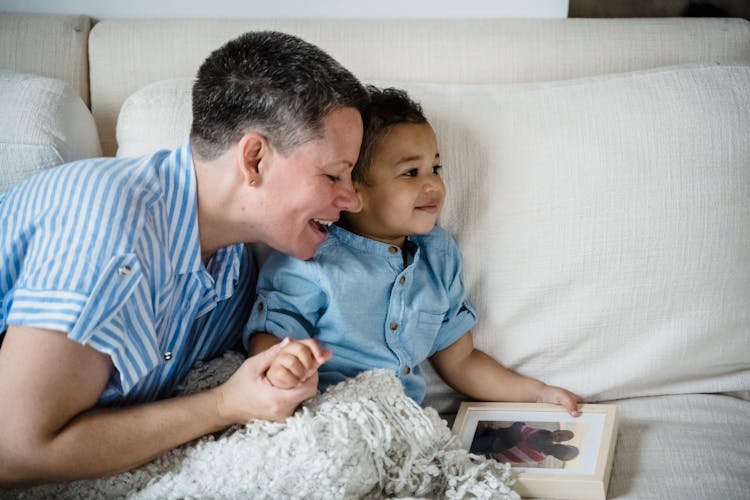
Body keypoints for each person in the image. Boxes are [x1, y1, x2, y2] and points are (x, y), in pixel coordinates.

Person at [0, 31, 367, 487]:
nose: (351, 199)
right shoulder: (110, 230)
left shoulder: (234, 268)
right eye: (334, 175)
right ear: (254, 159)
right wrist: (223, 405)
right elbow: (15, 452)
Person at [245, 86, 582, 415]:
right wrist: (280, 367)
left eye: (435, 168)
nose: (433, 184)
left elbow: (461, 360)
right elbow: (271, 338)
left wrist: (536, 393)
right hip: (329, 413)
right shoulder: (312, 256)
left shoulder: (438, 256)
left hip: (405, 422)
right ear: (352, 190)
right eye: (411, 172)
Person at [470, 422, 579, 464]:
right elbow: (521, 428)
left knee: (468, 447)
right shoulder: (543, 433)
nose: (557, 437)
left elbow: (517, 449)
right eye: (559, 434)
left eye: (559, 439)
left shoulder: (540, 456)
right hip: (497, 439)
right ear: (557, 431)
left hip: (494, 450)